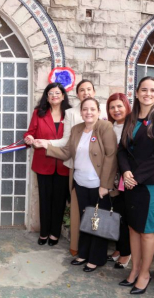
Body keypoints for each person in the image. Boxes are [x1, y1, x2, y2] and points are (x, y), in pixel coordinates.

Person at [34, 97, 117, 272]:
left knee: (98, 222)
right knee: (86, 220)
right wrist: (46, 146)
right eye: (85, 109)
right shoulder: (77, 129)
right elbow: (66, 152)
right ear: (81, 113)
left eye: (92, 109)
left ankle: (96, 258)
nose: (88, 112)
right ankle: (84, 253)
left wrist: (105, 184)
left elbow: (111, 156)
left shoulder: (105, 127)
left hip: (98, 185)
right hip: (80, 182)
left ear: (98, 112)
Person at [117, 76, 154, 294]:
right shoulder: (131, 117)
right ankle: (134, 269)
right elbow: (122, 149)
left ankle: (145, 273)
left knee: (147, 231)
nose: (148, 94)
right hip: (132, 181)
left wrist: (136, 177)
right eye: (144, 90)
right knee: (133, 227)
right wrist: (126, 172)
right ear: (137, 92)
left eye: (152, 90)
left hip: (153, 183)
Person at [47, 79, 107, 256]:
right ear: (77, 95)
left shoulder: (105, 113)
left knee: (98, 213)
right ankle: (79, 249)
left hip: (100, 172)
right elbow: (67, 143)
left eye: (89, 89)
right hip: (79, 169)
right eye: (82, 90)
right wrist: (46, 144)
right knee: (79, 210)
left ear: (94, 92)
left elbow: (110, 151)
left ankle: (96, 254)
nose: (86, 92)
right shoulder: (72, 115)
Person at [24, 83, 71, 246]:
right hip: (43, 162)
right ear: (46, 96)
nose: (54, 96)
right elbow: (30, 132)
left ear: (63, 96)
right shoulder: (39, 112)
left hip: (64, 164)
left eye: (57, 93)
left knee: (59, 201)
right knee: (45, 199)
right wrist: (29, 139)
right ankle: (44, 232)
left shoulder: (70, 114)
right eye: (50, 93)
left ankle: (55, 234)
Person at [106, 93, 132, 269]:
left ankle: (126, 252)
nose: (116, 110)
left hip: (128, 178)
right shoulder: (109, 127)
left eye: (119, 106)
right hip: (111, 178)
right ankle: (118, 249)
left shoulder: (132, 127)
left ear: (126, 107)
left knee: (125, 216)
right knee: (115, 215)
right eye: (112, 107)